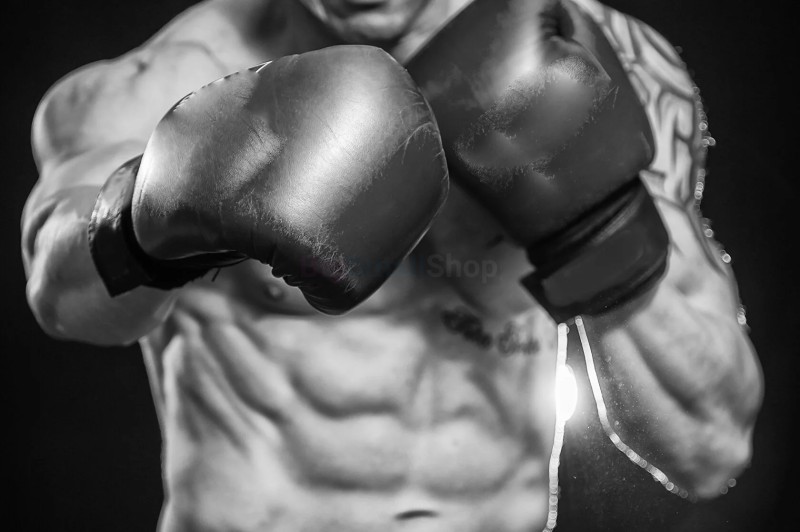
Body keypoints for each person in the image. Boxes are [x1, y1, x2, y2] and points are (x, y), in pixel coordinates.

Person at [21, 0, 763, 530]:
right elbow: (60, 297)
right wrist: (149, 215)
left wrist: (598, 228)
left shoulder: (597, 55)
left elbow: (709, 443)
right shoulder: (174, 77)